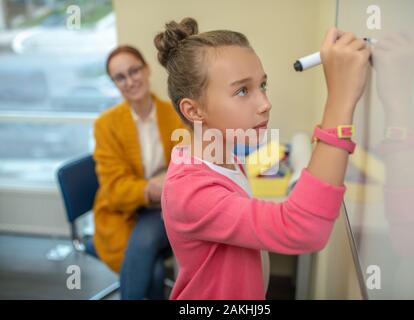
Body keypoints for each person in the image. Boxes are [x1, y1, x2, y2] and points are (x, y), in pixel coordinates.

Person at [154, 17, 370, 299]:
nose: (265, 103)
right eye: (242, 90)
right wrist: (340, 100)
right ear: (194, 111)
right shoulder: (189, 190)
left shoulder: (222, 153)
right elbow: (304, 230)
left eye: (263, 85)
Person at [92, 45, 185, 299]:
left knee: (145, 243)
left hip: (165, 208)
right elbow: (114, 190)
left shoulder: (174, 115)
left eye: (134, 71)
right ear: (114, 83)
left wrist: (162, 187)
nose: (130, 81)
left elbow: (187, 168)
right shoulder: (106, 125)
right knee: (154, 272)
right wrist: (152, 186)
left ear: (147, 69)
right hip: (123, 212)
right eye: (120, 77)